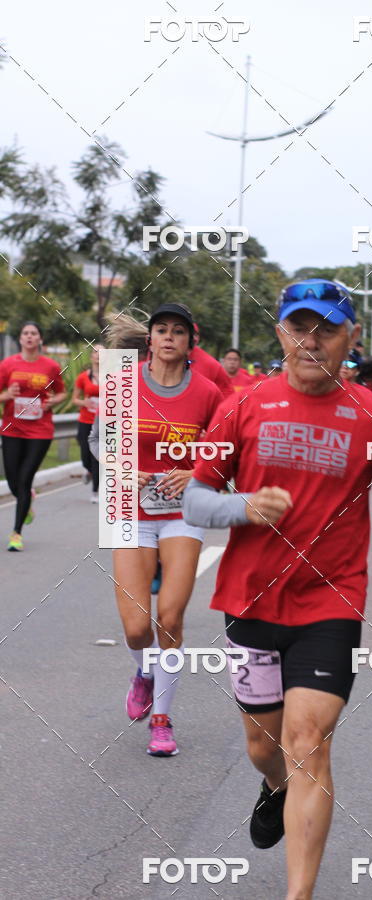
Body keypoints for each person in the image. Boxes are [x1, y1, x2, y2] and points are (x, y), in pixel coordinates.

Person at [183, 278, 372, 900]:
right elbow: (195, 499)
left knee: (308, 743)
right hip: (250, 598)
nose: (311, 341)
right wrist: (243, 506)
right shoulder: (244, 406)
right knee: (264, 745)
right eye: (300, 327)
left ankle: (298, 894)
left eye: (326, 329)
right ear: (281, 333)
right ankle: (274, 787)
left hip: (331, 602)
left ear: (351, 338)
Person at [91, 304, 223, 756]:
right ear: (149, 339)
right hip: (129, 510)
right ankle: (144, 671)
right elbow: (99, 442)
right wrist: (121, 469)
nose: (169, 336)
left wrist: (198, 473)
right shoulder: (123, 384)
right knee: (135, 628)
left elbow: (223, 450)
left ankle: (162, 721)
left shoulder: (206, 393)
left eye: (178, 331)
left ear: (190, 343)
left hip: (182, 514)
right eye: (161, 329)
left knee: (169, 617)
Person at [0, 321, 66, 551]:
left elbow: (61, 393)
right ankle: (26, 501)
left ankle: (16, 533)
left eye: (33, 333)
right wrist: (7, 394)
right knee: (13, 480)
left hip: (40, 429)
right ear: (20, 339)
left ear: (39, 339)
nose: (29, 336)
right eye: (25, 333)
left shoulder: (50, 366)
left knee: (25, 478)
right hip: (12, 428)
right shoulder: (8, 364)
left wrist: (52, 402)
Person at [72, 345, 101, 502]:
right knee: (85, 457)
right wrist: (84, 402)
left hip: (103, 423)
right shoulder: (83, 377)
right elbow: (75, 399)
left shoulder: (113, 377)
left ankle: (95, 492)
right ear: (91, 356)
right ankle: (88, 471)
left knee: (97, 458)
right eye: (96, 352)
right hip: (85, 421)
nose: (99, 355)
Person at [190, 322, 234, 397]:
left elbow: (228, 395)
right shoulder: (169, 360)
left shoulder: (211, 364)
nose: (194, 338)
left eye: (196, 334)